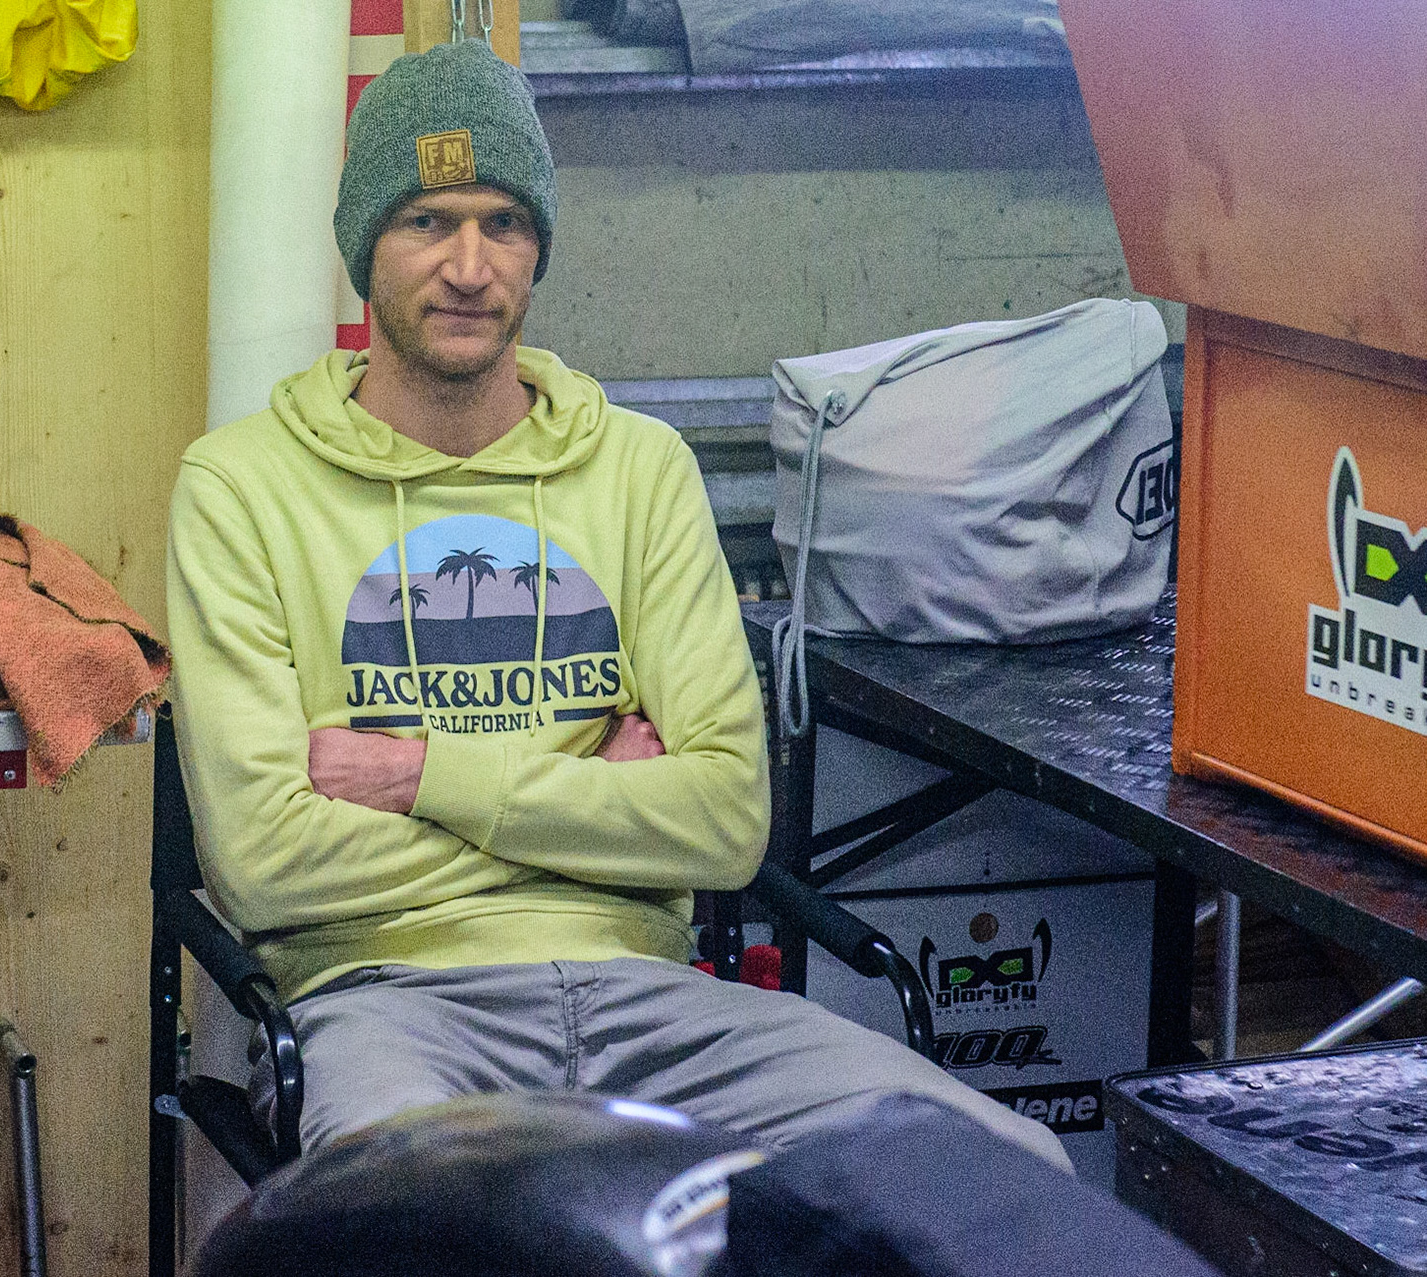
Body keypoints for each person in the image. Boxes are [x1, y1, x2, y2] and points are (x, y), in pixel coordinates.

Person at [166, 38, 1067, 1168]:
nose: (468, 264)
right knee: (423, 1226)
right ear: (363, 249)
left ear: (538, 246)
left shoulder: (639, 469)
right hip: (387, 1005)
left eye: (503, 222)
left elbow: (730, 819)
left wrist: (417, 777)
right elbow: (265, 862)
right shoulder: (242, 485)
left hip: (657, 998)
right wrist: (599, 810)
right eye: (427, 222)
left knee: (1000, 1165)